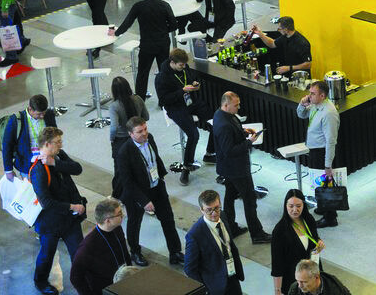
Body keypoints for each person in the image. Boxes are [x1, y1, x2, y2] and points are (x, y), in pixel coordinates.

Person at [113, 116, 185, 267]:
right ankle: (135, 252)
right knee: (135, 223)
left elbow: (155, 159)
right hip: (137, 193)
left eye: (145, 129)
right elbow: (127, 182)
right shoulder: (124, 152)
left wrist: (161, 177)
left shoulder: (149, 138)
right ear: (130, 134)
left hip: (157, 186)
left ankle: (175, 252)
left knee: (168, 219)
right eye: (139, 131)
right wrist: (144, 201)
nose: (144, 133)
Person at [31, 126, 87, 295]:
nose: (61, 145)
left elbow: (77, 169)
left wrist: (55, 163)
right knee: (47, 255)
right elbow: (46, 202)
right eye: (57, 142)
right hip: (51, 222)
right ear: (47, 144)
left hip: (70, 220)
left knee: (78, 252)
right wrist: (72, 207)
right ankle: (40, 281)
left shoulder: (58, 156)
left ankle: (83, 281)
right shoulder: (38, 169)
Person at [213, 90, 273, 242]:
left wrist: (242, 132)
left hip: (228, 168)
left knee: (230, 195)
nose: (238, 107)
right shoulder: (224, 125)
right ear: (226, 105)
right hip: (236, 169)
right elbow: (229, 150)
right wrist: (249, 142)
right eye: (236, 105)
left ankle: (230, 227)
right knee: (249, 199)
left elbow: (231, 136)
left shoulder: (221, 114)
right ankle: (257, 234)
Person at [154, 47, 211, 184]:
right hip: (175, 107)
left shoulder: (185, 68)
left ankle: (210, 153)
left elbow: (190, 78)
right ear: (172, 62)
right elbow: (163, 100)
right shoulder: (162, 77)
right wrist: (182, 91)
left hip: (191, 102)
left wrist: (194, 84)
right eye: (181, 65)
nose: (184, 67)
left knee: (214, 121)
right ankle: (186, 167)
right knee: (194, 135)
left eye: (185, 64)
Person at [111, 0, 175, 99]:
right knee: (164, 72)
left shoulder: (139, 6)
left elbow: (127, 23)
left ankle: (140, 100)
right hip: (163, 44)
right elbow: (173, 25)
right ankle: (165, 99)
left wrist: (116, 32)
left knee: (142, 73)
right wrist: (163, 31)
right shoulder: (164, 5)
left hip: (147, 45)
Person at [297, 81, 341, 227]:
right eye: (309, 93)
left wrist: (328, 165)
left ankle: (330, 217)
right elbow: (301, 115)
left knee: (325, 184)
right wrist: (302, 104)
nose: (309, 96)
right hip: (314, 150)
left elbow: (331, 141)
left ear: (322, 96)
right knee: (319, 183)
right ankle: (323, 207)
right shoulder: (315, 105)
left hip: (322, 152)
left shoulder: (329, 113)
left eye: (312, 93)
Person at [185, 189, 245, 295]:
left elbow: (230, 245)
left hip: (232, 275)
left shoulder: (223, 216)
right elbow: (189, 269)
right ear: (202, 210)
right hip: (216, 287)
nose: (214, 213)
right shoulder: (195, 235)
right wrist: (208, 285)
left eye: (217, 208)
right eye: (209, 210)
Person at [71, 198, 131, 295]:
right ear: (108, 221)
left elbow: (124, 252)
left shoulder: (117, 228)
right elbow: (75, 277)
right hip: (104, 290)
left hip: (123, 282)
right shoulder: (87, 247)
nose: (123, 215)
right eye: (119, 214)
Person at [271, 190, 325, 295]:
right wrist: (277, 290)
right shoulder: (279, 230)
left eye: (298, 206)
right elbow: (277, 264)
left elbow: (314, 239)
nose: (295, 210)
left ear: (304, 205)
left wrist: (319, 242)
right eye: (291, 206)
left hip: (313, 275)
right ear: (285, 206)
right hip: (294, 280)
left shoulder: (309, 219)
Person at [1, 94, 48, 179]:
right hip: (27, 165)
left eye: (44, 113)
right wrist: (8, 170)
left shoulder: (48, 115)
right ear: (30, 109)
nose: (42, 116)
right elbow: (7, 145)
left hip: (47, 161)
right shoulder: (16, 120)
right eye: (39, 114)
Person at [107, 76, 148, 156]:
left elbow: (114, 127)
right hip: (138, 136)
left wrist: (112, 139)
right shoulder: (138, 98)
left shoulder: (114, 106)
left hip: (122, 139)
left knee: (119, 160)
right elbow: (146, 117)